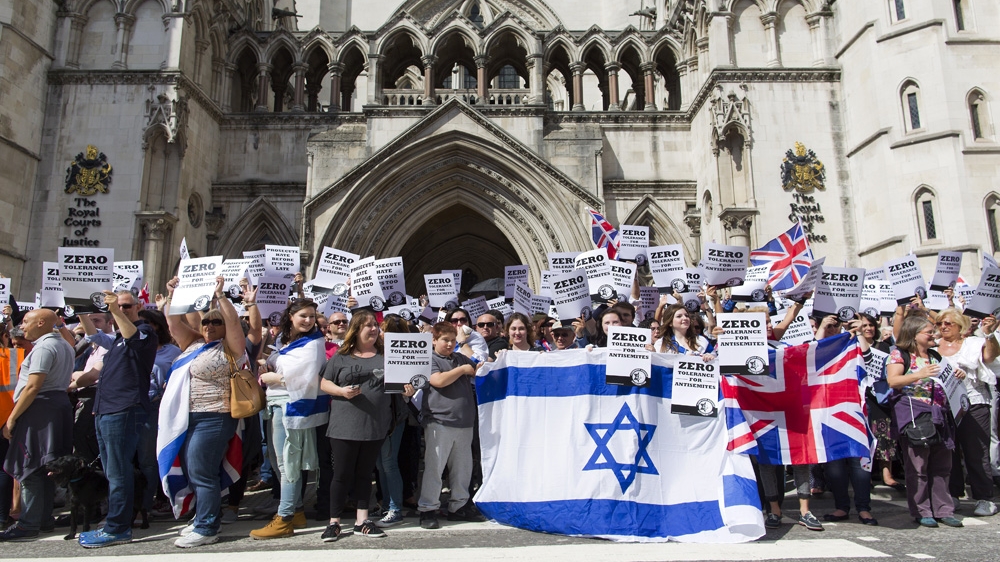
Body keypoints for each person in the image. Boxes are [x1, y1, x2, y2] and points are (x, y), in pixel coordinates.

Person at [155, 276, 244, 547]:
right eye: (206, 321)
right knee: (196, 472)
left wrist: (220, 296)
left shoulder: (230, 349)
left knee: (202, 472)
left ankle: (207, 527)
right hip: (186, 418)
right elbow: (173, 322)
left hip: (214, 417)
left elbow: (233, 323)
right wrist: (174, 295)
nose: (210, 325)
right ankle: (202, 518)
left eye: (215, 322)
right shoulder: (193, 344)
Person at [319, 310, 413, 541]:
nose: (373, 329)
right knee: (341, 475)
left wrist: (407, 391)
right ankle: (334, 523)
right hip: (344, 426)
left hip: (375, 425)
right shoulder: (341, 356)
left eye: (375, 325)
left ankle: (362, 521)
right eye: (368, 325)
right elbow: (324, 383)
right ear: (356, 329)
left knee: (364, 475)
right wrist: (341, 391)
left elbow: (399, 386)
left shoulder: (386, 356)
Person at [78, 291, 158, 548]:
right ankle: (116, 523)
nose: (120, 309)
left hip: (124, 409)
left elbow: (132, 335)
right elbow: (94, 335)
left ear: (139, 306)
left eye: (125, 306)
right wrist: (79, 306)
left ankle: (117, 528)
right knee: (113, 470)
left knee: (119, 470)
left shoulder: (144, 332)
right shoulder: (117, 340)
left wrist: (113, 310)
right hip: (106, 410)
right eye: (117, 306)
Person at [250, 299, 328, 540]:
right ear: (291, 316)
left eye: (312, 316)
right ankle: (296, 511)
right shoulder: (286, 341)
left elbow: (301, 377)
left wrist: (272, 377)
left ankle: (283, 518)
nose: (308, 320)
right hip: (275, 405)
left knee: (288, 463)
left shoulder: (314, 342)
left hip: (292, 406)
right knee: (276, 461)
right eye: (303, 316)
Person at [0, 309, 73, 541]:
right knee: (47, 468)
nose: (22, 327)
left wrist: (11, 419)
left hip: (40, 408)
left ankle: (28, 524)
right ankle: (42, 520)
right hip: (55, 406)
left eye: (26, 321)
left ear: (41, 323)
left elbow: (33, 386)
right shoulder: (64, 344)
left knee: (30, 466)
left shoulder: (43, 347)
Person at [887, 314, 964, 528]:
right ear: (914, 334)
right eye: (929, 332)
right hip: (916, 416)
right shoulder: (898, 354)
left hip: (940, 414)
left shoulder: (935, 356)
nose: (934, 335)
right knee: (918, 467)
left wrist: (956, 375)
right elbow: (893, 381)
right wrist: (918, 374)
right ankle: (922, 510)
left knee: (942, 465)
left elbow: (944, 379)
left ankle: (943, 509)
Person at [417, 322, 485, 529]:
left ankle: (459, 505)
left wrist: (466, 350)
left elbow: (478, 363)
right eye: (445, 340)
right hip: (439, 421)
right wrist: (463, 369)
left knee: (463, 469)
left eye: (452, 340)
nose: (449, 344)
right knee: (435, 468)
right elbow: (437, 381)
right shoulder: (429, 359)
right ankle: (428, 508)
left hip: (464, 422)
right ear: (434, 340)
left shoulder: (459, 357)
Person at [934, 308, 1000, 517]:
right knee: (948, 452)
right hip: (945, 406)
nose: (943, 327)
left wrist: (988, 334)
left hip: (974, 404)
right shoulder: (934, 347)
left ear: (960, 326)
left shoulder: (973, 343)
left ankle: (984, 498)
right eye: (940, 324)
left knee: (976, 452)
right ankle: (953, 494)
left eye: (948, 323)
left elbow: (990, 356)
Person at [135, 309, 180, 521]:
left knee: (147, 458)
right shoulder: (132, 344)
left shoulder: (171, 351)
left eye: (146, 322)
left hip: (155, 407)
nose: (141, 325)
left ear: (157, 326)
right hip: (132, 405)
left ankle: (149, 502)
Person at [372, 314, 415, 528]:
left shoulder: (405, 353)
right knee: (381, 464)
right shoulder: (374, 353)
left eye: (383, 329)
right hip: (376, 414)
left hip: (394, 415)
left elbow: (410, 389)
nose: (380, 333)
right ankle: (387, 504)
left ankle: (395, 508)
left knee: (389, 462)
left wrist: (409, 390)